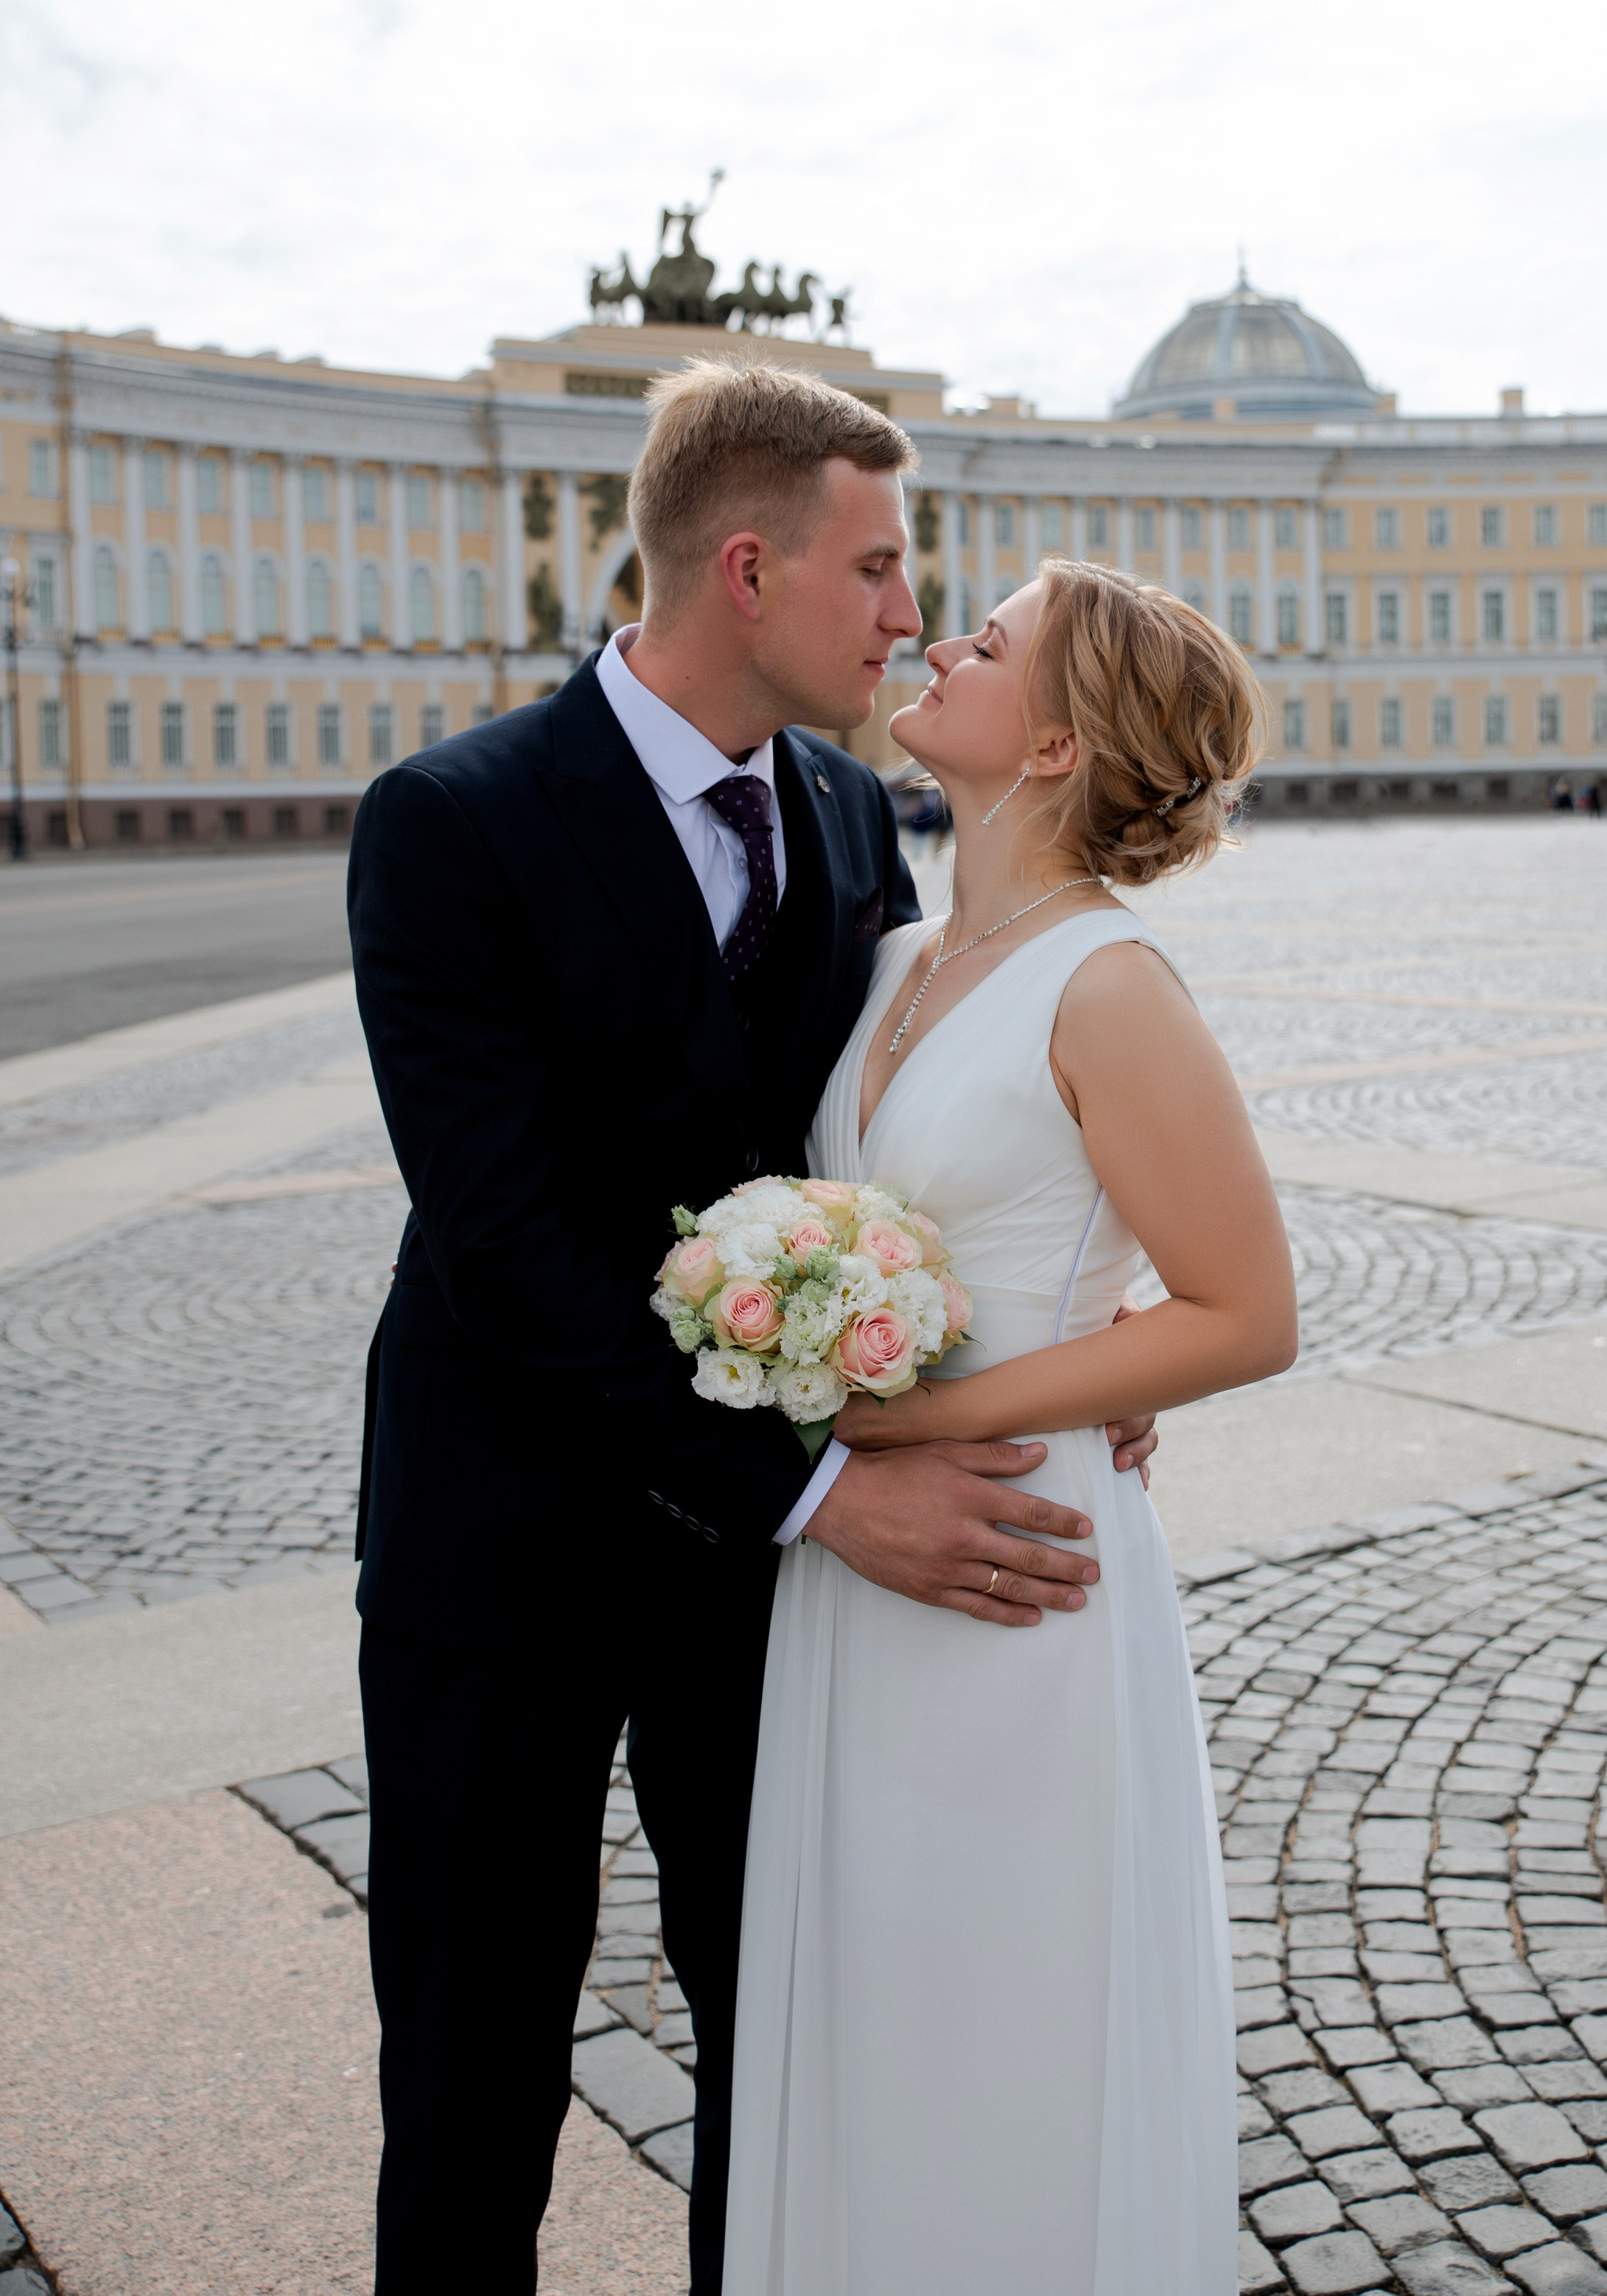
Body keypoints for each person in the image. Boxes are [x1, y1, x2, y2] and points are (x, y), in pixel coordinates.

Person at [346, 362, 1157, 2292]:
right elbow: (507, 1253)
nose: (906, 611)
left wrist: (1074, 1332)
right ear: (743, 568)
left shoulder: (852, 814)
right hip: (509, 1546)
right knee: (474, 2082)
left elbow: (899, 1162)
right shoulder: (450, 823)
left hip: (759, 1591)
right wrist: (809, 1498)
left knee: (788, 2048)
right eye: (879, 567)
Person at [724, 558, 1299, 2295]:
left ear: (1053, 739)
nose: (933, 640)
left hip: (1014, 1566)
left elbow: (1245, 1312)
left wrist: (945, 1412)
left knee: (1009, 2010)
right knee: (875, 1996)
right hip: (858, 1568)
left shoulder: (1112, 985)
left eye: (986, 640)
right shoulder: (895, 950)